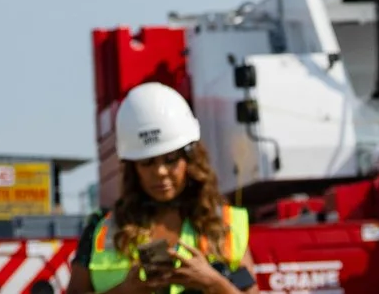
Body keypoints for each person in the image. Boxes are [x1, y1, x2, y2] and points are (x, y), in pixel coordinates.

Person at [76, 84, 253, 293]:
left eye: (170, 160)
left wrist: (213, 283)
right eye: (147, 163)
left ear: (190, 159)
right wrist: (127, 289)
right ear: (134, 168)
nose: (160, 171)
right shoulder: (101, 229)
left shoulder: (225, 223)